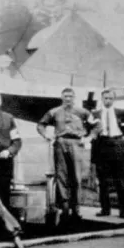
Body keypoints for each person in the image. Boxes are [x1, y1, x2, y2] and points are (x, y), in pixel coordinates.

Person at [37, 87, 95, 222]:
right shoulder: (54, 112)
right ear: (62, 97)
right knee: (61, 176)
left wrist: (89, 137)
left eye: (70, 96)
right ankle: (64, 207)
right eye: (65, 96)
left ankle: (76, 208)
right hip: (60, 143)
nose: (68, 99)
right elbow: (41, 124)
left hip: (76, 144)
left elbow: (97, 125)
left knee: (76, 177)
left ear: (74, 98)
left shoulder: (82, 112)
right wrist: (47, 135)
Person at [91, 88, 124, 219]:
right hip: (102, 146)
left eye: (110, 98)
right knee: (103, 180)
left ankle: (123, 210)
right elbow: (89, 130)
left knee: (121, 180)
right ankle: (105, 209)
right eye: (105, 98)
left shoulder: (121, 112)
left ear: (113, 99)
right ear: (102, 99)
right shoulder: (95, 114)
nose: (107, 100)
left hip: (117, 145)